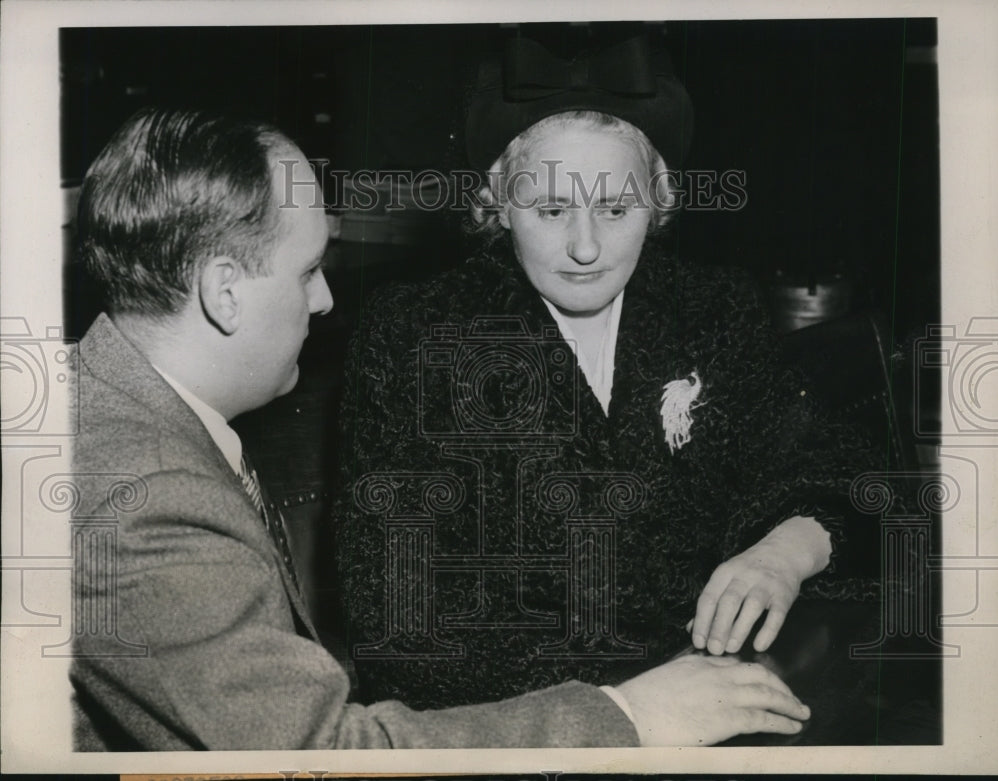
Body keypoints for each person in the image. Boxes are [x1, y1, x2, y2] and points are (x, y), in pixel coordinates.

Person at [69, 106, 812, 750]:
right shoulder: (149, 505)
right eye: (308, 271)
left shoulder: (122, 415)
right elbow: (326, 751)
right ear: (223, 292)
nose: (325, 300)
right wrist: (632, 714)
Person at [336, 34, 877, 713]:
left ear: (658, 202)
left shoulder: (710, 307)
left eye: (616, 209)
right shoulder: (413, 333)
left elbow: (826, 463)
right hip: (529, 727)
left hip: (718, 693)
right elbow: (399, 615)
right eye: (551, 210)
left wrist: (784, 553)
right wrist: (632, 708)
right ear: (497, 204)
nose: (587, 248)